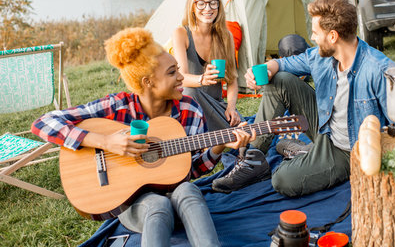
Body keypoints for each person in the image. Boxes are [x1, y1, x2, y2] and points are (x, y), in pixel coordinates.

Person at [31, 27, 255, 247]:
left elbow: (192, 169)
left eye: (178, 69)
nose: (181, 77)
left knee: (189, 189)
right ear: (148, 82)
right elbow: (43, 123)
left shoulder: (190, 109)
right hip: (132, 203)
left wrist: (219, 146)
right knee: (158, 205)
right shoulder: (118, 105)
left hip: (178, 195)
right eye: (171, 73)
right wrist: (106, 141)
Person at [242, 0, 394, 197]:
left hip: (348, 150)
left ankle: (306, 153)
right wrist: (264, 69)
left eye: (315, 33)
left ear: (333, 36)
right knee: (279, 80)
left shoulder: (378, 70)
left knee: (282, 179)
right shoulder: (321, 57)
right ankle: (254, 159)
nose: (312, 38)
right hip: (325, 126)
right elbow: (282, 64)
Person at [171, 0, 271, 193]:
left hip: (216, 106)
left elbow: (232, 80)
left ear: (219, 6)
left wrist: (232, 107)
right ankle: (241, 145)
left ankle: (237, 143)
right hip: (189, 107)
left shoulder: (223, 35)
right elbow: (180, 79)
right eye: (202, 3)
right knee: (191, 92)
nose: (208, 8)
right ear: (192, 6)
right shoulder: (181, 33)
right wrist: (201, 79)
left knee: (239, 125)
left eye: (213, 3)